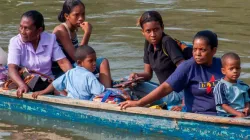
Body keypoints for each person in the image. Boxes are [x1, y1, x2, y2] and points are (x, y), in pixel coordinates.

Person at [120, 30, 224, 115]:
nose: (197, 54)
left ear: (213, 51)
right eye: (195, 49)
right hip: (198, 115)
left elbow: (234, 87)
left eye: (202, 50)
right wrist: (139, 103)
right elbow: (165, 88)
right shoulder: (188, 66)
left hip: (223, 114)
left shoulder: (222, 65)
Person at [7, 10, 72, 98]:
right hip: (27, 81)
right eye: (21, 27)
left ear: (39, 30)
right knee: (60, 91)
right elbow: (12, 69)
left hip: (47, 81)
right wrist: (21, 85)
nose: (22, 32)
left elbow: (63, 63)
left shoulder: (50, 39)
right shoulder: (15, 42)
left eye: (27, 28)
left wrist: (75, 78)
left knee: (67, 91)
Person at [128, 11, 185, 108]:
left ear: (162, 28)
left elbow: (185, 70)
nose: (153, 34)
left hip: (177, 95)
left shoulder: (167, 42)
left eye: (156, 30)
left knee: (135, 88)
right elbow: (148, 74)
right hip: (164, 91)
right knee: (128, 81)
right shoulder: (148, 43)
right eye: (148, 31)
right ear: (143, 32)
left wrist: (185, 103)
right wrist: (136, 76)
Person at [52, 0, 112, 88]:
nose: (81, 18)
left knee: (103, 62)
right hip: (62, 73)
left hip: (75, 66)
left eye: (83, 14)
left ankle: (106, 91)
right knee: (98, 62)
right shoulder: (61, 30)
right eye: (76, 15)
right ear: (66, 16)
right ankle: (104, 93)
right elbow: (77, 57)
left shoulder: (73, 28)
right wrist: (87, 33)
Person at [32, 45, 105, 100]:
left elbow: (54, 84)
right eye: (90, 61)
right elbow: (99, 92)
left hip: (71, 101)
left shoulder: (70, 72)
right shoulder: (90, 76)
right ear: (79, 63)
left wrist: (42, 92)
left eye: (95, 60)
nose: (94, 63)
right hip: (85, 103)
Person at [213, 52, 250, 117]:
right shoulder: (220, 86)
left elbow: (247, 101)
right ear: (223, 71)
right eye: (231, 69)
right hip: (226, 115)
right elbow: (224, 105)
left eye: (237, 68)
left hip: (242, 113)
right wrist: (238, 114)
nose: (235, 71)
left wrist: (247, 108)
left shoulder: (243, 85)